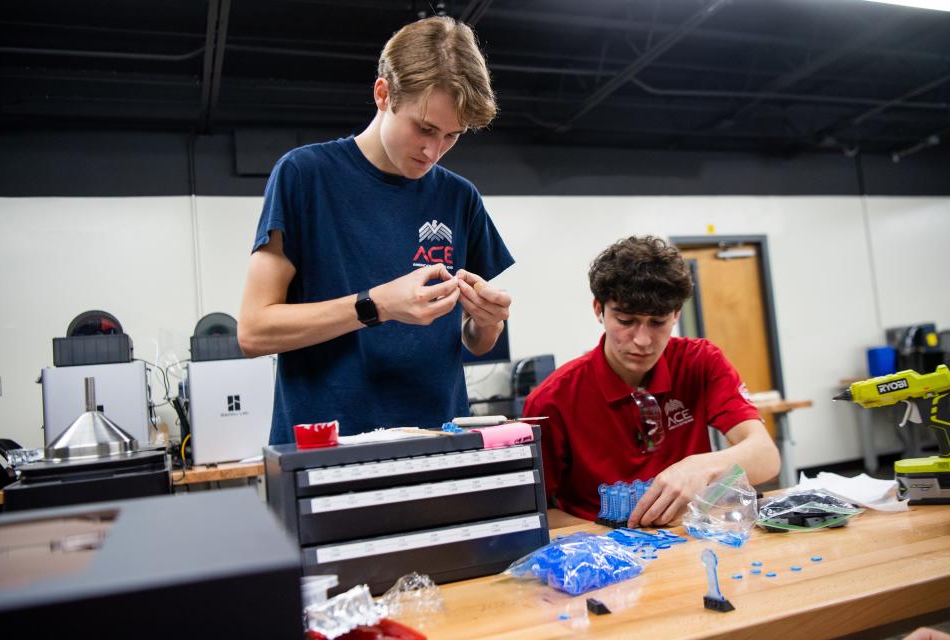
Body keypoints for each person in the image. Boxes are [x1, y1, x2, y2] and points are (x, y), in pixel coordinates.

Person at [238, 16, 513, 444]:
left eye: (452, 136)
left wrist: (488, 323)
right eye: (424, 128)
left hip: (438, 444)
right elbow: (254, 331)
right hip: (329, 451)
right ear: (383, 93)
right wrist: (376, 306)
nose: (433, 151)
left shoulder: (460, 198)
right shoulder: (304, 176)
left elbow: (475, 343)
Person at [523, 236, 780, 527]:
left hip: (692, 539)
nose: (642, 341)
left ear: (676, 315)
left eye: (658, 323)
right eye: (625, 321)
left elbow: (766, 456)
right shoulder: (552, 400)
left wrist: (702, 467)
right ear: (599, 310)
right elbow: (535, 511)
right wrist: (609, 542)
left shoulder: (701, 362)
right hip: (603, 552)